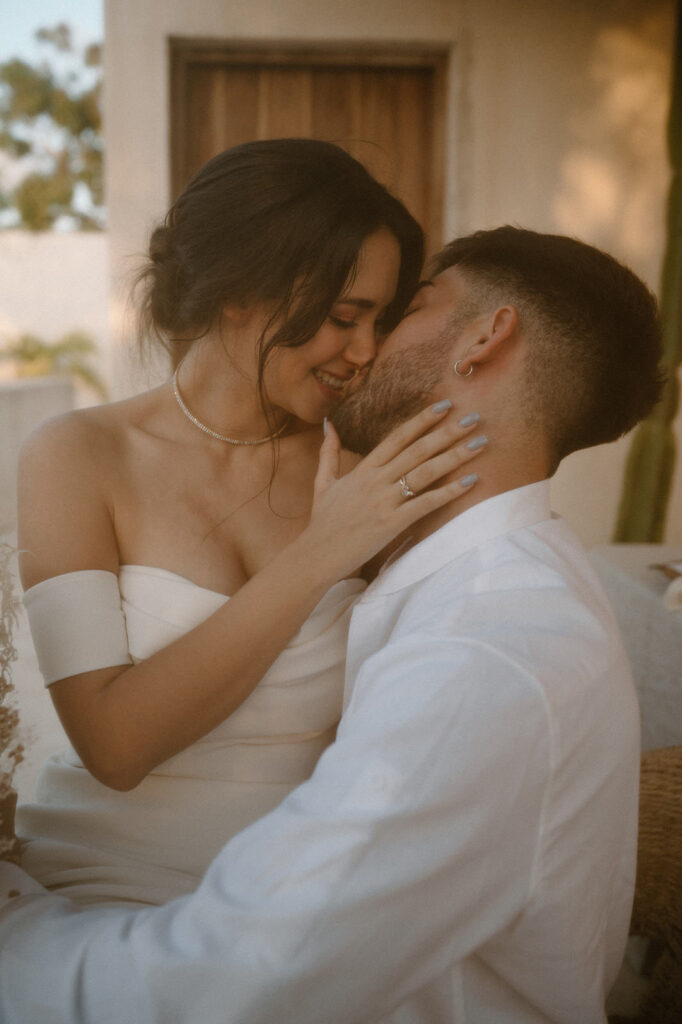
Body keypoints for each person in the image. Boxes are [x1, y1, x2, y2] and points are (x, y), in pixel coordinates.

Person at [0, 226, 663, 1024]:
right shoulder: (473, 588)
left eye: (408, 310)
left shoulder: (483, 655)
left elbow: (236, 984)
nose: (364, 349)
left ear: (486, 339)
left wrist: (15, 930)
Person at [13, 138, 486, 907]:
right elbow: (114, 745)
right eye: (342, 316)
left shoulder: (367, 466)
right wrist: (321, 553)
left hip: (298, 900)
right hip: (98, 888)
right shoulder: (77, 457)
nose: (364, 351)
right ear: (238, 290)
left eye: (381, 320)